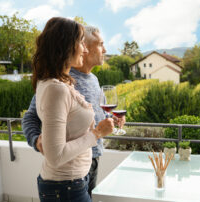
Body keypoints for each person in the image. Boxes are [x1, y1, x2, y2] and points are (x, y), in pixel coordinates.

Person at [23, 23, 125, 197]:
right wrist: (35, 139)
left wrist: (113, 119)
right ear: (80, 45)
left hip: (91, 161)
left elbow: (98, 115)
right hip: (68, 168)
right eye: (100, 44)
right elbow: (31, 116)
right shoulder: (59, 81)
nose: (105, 49)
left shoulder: (94, 80)